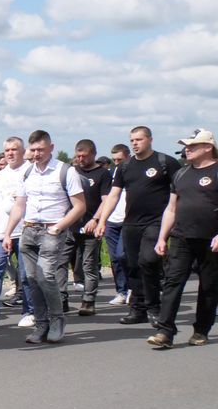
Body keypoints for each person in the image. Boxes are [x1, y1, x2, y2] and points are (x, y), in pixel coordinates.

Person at [2, 130, 85, 344]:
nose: (37, 154)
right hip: (29, 230)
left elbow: (80, 206)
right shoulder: (28, 172)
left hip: (52, 230)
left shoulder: (65, 171)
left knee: (45, 277)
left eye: (41, 149)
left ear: (51, 147)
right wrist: (8, 233)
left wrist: (59, 227)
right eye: (33, 150)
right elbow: (20, 205)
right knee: (31, 279)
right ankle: (41, 324)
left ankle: (57, 320)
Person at [93, 126, 180, 325]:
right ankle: (138, 309)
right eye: (132, 140)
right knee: (130, 263)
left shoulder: (165, 162)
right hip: (131, 223)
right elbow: (114, 195)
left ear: (150, 139)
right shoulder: (125, 167)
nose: (135, 143)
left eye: (139, 139)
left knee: (148, 260)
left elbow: (180, 191)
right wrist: (102, 220)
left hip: (156, 222)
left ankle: (154, 307)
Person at [148, 129, 218, 349]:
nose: (187, 149)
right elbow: (171, 208)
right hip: (181, 237)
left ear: (208, 147)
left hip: (210, 240)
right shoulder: (181, 174)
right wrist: (162, 237)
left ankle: (201, 330)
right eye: (186, 146)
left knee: (209, 287)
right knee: (172, 282)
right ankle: (165, 331)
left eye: (192, 146)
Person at [0, 136, 33, 325]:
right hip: (0, 232)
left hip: (25, 230)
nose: (10, 153)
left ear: (23, 151)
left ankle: (29, 311)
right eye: (7, 150)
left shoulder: (31, 171)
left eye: (14, 149)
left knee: (26, 275)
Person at [67, 139, 111, 316]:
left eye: (84, 156)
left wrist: (96, 219)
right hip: (70, 225)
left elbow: (106, 200)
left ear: (93, 154)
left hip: (90, 226)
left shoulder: (103, 174)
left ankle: (88, 300)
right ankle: (61, 299)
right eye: (78, 156)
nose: (80, 159)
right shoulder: (72, 172)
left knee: (88, 265)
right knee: (60, 263)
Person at [87, 144, 131, 304]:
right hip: (112, 220)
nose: (117, 163)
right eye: (115, 160)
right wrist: (101, 221)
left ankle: (133, 287)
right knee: (114, 259)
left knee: (123, 255)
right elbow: (106, 198)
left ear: (128, 157)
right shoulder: (110, 174)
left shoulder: (133, 173)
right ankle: (122, 291)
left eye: (120, 159)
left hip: (128, 220)